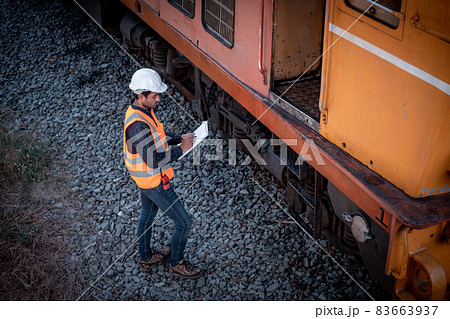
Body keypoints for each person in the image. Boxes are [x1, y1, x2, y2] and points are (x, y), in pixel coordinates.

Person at [123, 68, 202, 279]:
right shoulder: (138, 125)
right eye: (155, 95)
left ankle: (146, 257)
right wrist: (182, 149)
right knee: (184, 223)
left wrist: (178, 138)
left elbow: (157, 137)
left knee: (147, 215)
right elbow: (153, 160)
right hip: (153, 181)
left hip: (145, 180)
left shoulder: (141, 111)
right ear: (141, 96)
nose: (159, 99)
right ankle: (177, 264)